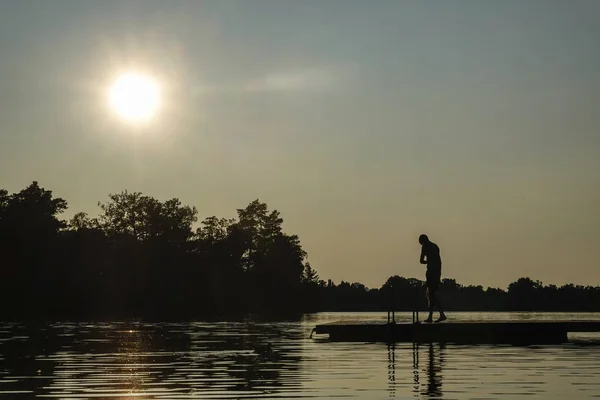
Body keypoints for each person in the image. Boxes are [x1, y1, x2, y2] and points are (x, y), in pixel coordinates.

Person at [419, 234, 447, 323]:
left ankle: (441, 314)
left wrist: (428, 261)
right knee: (431, 294)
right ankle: (431, 317)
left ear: (422, 241)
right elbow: (439, 260)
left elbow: (421, 260)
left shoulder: (425, 246)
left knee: (430, 295)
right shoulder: (435, 246)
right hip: (437, 271)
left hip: (431, 272)